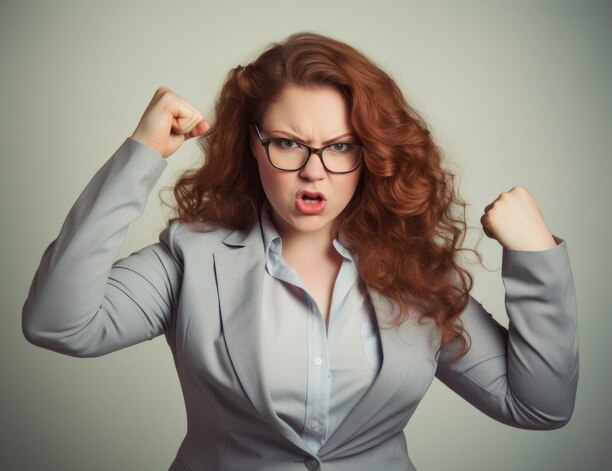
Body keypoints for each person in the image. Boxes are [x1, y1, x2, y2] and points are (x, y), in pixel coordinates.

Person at [22, 32, 579, 471]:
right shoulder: (190, 259)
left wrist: (535, 258)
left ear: (372, 153)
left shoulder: (416, 276)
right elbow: (57, 324)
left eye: (341, 147)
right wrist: (142, 154)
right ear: (253, 144)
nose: (314, 171)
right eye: (289, 143)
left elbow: (539, 407)